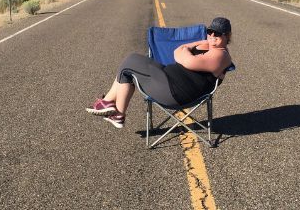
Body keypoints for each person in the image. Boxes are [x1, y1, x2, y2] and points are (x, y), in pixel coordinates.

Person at [86, 17, 234, 128]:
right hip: (169, 81)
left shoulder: (221, 56)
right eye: (210, 31)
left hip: (173, 90)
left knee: (130, 62)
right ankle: (114, 111)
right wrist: (191, 47)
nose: (212, 35)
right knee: (129, 70)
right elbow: (178, 51)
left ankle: (112, 108)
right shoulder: (210, 47)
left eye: (218, 34)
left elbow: (185, 59)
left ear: (227, 36)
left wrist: (185, 52)